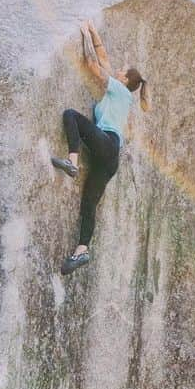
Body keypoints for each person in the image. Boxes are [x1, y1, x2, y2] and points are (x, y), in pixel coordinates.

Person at [52, 20, 149, 275]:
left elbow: (94, 65)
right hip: (109, 159)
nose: (116, 69)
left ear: (124, 79)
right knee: (88, 205)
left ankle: (72, 160)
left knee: (71, 115)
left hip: (107, 143)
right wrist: (93, 30)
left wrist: (84, 37)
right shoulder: (121, 92)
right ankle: (82, 250)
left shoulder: (117, 89)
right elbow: (104, 57)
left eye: (121, 70)